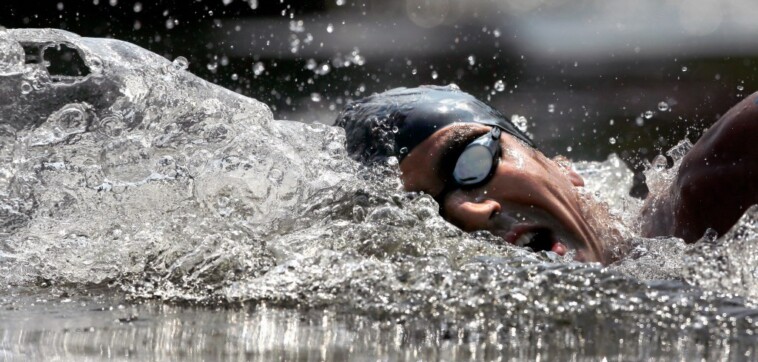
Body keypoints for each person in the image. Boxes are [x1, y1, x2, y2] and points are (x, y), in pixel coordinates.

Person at [335, 85, 758, 264]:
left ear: (561, 166)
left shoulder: (720, 187)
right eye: (425, 209)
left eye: (469, 162)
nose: (471, 212)